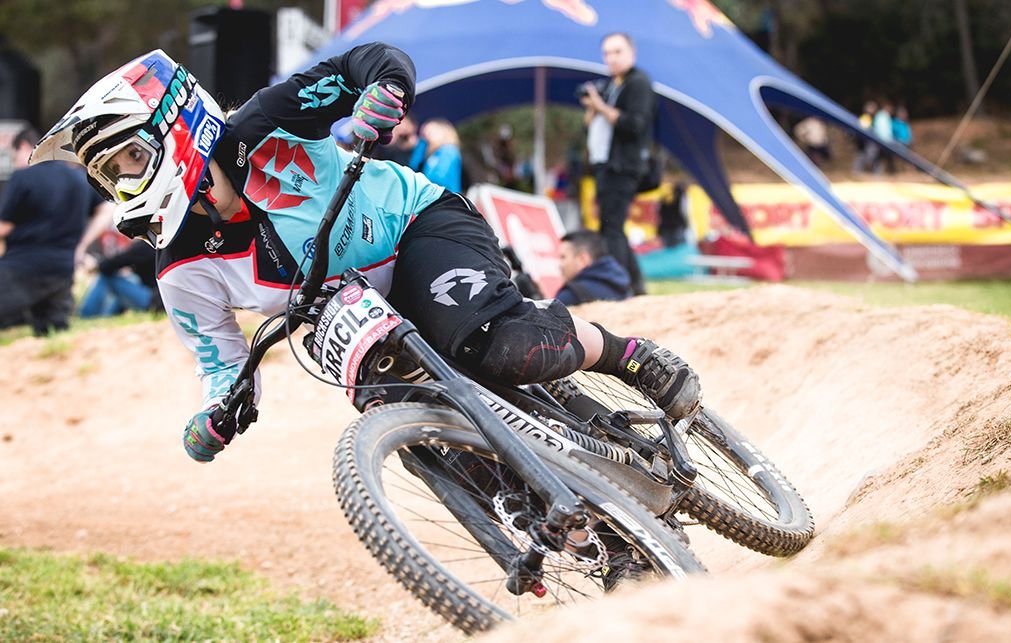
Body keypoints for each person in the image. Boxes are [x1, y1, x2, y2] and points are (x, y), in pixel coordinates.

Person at [31, 45, 700, 463]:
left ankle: (631, 355)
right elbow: (221, 360)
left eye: (128, 158)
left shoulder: (265, 122)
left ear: (173, 127)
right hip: (349, 315)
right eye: (108, 174)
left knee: (499, 348)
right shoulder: (180, 269)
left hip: (415, 228)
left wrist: (384, 92)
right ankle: (578, 527)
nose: (122, 184)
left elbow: (368, 63)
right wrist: (217, 411)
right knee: (415, 436)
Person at [0, 126, 112, 335]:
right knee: (53, 332)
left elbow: (4, 227)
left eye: (14, 157)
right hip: (62, 268)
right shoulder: (78, 178)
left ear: (24, 147)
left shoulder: (23, 177)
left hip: (21, 266)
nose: (16, 162)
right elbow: (107, 209)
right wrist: (81, 245)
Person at [580, 32, 656, 296]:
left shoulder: (638, 83)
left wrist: (600, 106)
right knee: (612, 226)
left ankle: (619, 286)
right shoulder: (613, 84)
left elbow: (634, 125)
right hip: (605, 164)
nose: (611, 58)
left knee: (611, 228)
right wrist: (593, 107)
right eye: (607, 53)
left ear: (632, 53)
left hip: (623, 166)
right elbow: (589, 128)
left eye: (617, 52)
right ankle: (635, 286)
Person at [555, 230, 632, 306]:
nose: (560, 264)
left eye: (563, 257)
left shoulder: (569, 296)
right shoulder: (622, 287)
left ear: (582, 259)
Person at [409, 117, 463, 192]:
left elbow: (439, 179)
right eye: (424, 134)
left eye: (431, 132)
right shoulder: (433, 154)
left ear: (443, 132)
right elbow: (413, 166)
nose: (427, 136)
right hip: (438, 194)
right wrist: (422, 142)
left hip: (445, 195)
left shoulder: (448, 150)